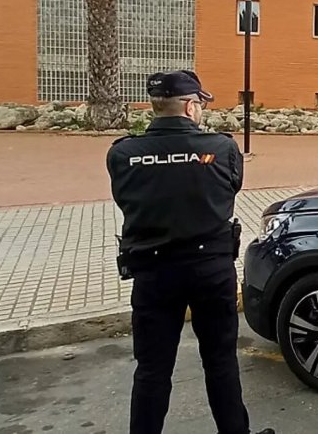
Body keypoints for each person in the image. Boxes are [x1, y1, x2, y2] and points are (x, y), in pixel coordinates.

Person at [107, 70, 274, 434]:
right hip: (210, 271)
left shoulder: (123, 153)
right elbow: (231, 187)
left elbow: (124, 198)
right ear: (190, 106)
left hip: (153, 273)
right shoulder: (222, 148)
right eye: (199, 104)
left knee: (152, 369)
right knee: (220, 362)